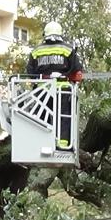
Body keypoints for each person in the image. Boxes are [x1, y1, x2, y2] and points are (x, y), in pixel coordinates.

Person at [26, 21, 83, 151]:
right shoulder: (68, 49)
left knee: (41, 117)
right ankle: (62, 145)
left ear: (45, 34)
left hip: (42, 91)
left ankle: (41, 144)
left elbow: (30, 72)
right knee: (63, 116)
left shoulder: (36, 51)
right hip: (62, 91)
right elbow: (77, 70)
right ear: (60, 33)